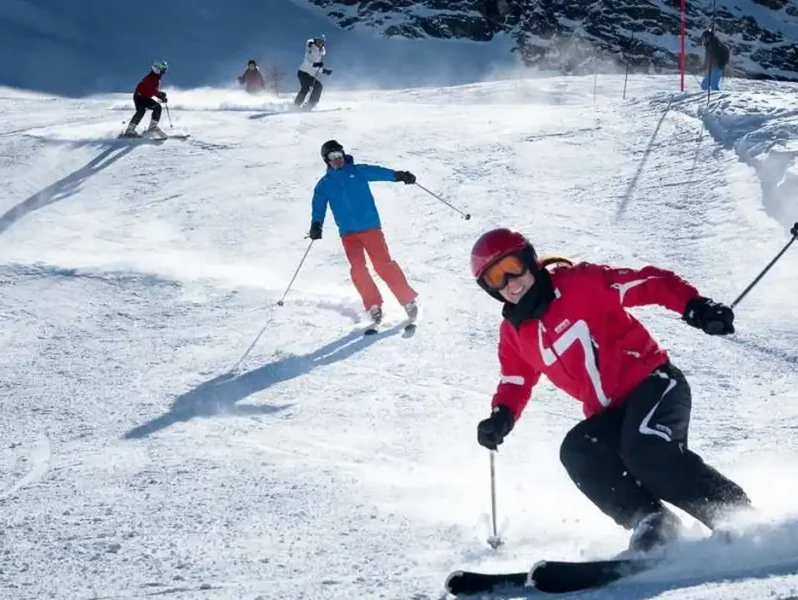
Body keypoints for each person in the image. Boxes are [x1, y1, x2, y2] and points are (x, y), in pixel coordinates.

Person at [471, 228, 752, 553]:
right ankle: (654, 523)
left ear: (529, 260)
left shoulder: (578, 284)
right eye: (496, 278)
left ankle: (735, 515)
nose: (510, 283)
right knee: (579, 451)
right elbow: (515, 381)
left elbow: (647, 283)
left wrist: (695, 305)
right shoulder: (514, 334)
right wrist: (502, 415)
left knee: (647, 451)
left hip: (655, 383)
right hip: (610, 413)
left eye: (512, 268)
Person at [308, 140, 420, 327]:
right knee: (358, 269)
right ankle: (373, 304)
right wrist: (316, 224)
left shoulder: (358, 171)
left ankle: (407, 300)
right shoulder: (324, 185)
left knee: (383, 264)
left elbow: (378, 172)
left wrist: (399, 176)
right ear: (326, 160)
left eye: (339, 156)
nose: (337, 160)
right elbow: (318, 205)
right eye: (332, 157)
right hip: (348, 233)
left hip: (370, 228)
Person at [124, 61, 169, 138]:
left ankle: (152, 128)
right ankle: (130, 130)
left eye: (165, 70)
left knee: (157, 107)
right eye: (163, 70)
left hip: (146, 98)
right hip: (139, 97)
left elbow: (153, 90)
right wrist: (160, 95)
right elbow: (151, 89)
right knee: (141, 111)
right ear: (157, 69)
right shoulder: (150, 77)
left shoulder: (156, 78)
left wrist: (161, 94)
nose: (164, 72)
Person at [293, 36, 332, 110]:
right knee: (305, 88)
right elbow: (307, 62)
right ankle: (296, 106)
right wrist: (317, 65)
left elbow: (315, 66)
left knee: (318, 86)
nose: (320, 44)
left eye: (322, 42)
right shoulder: (311, 49)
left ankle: (311, 104)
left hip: (310, 74)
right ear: (315, 41)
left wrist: (324, 70)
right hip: (303, 73)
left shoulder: (319, 52)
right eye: (318, 42)